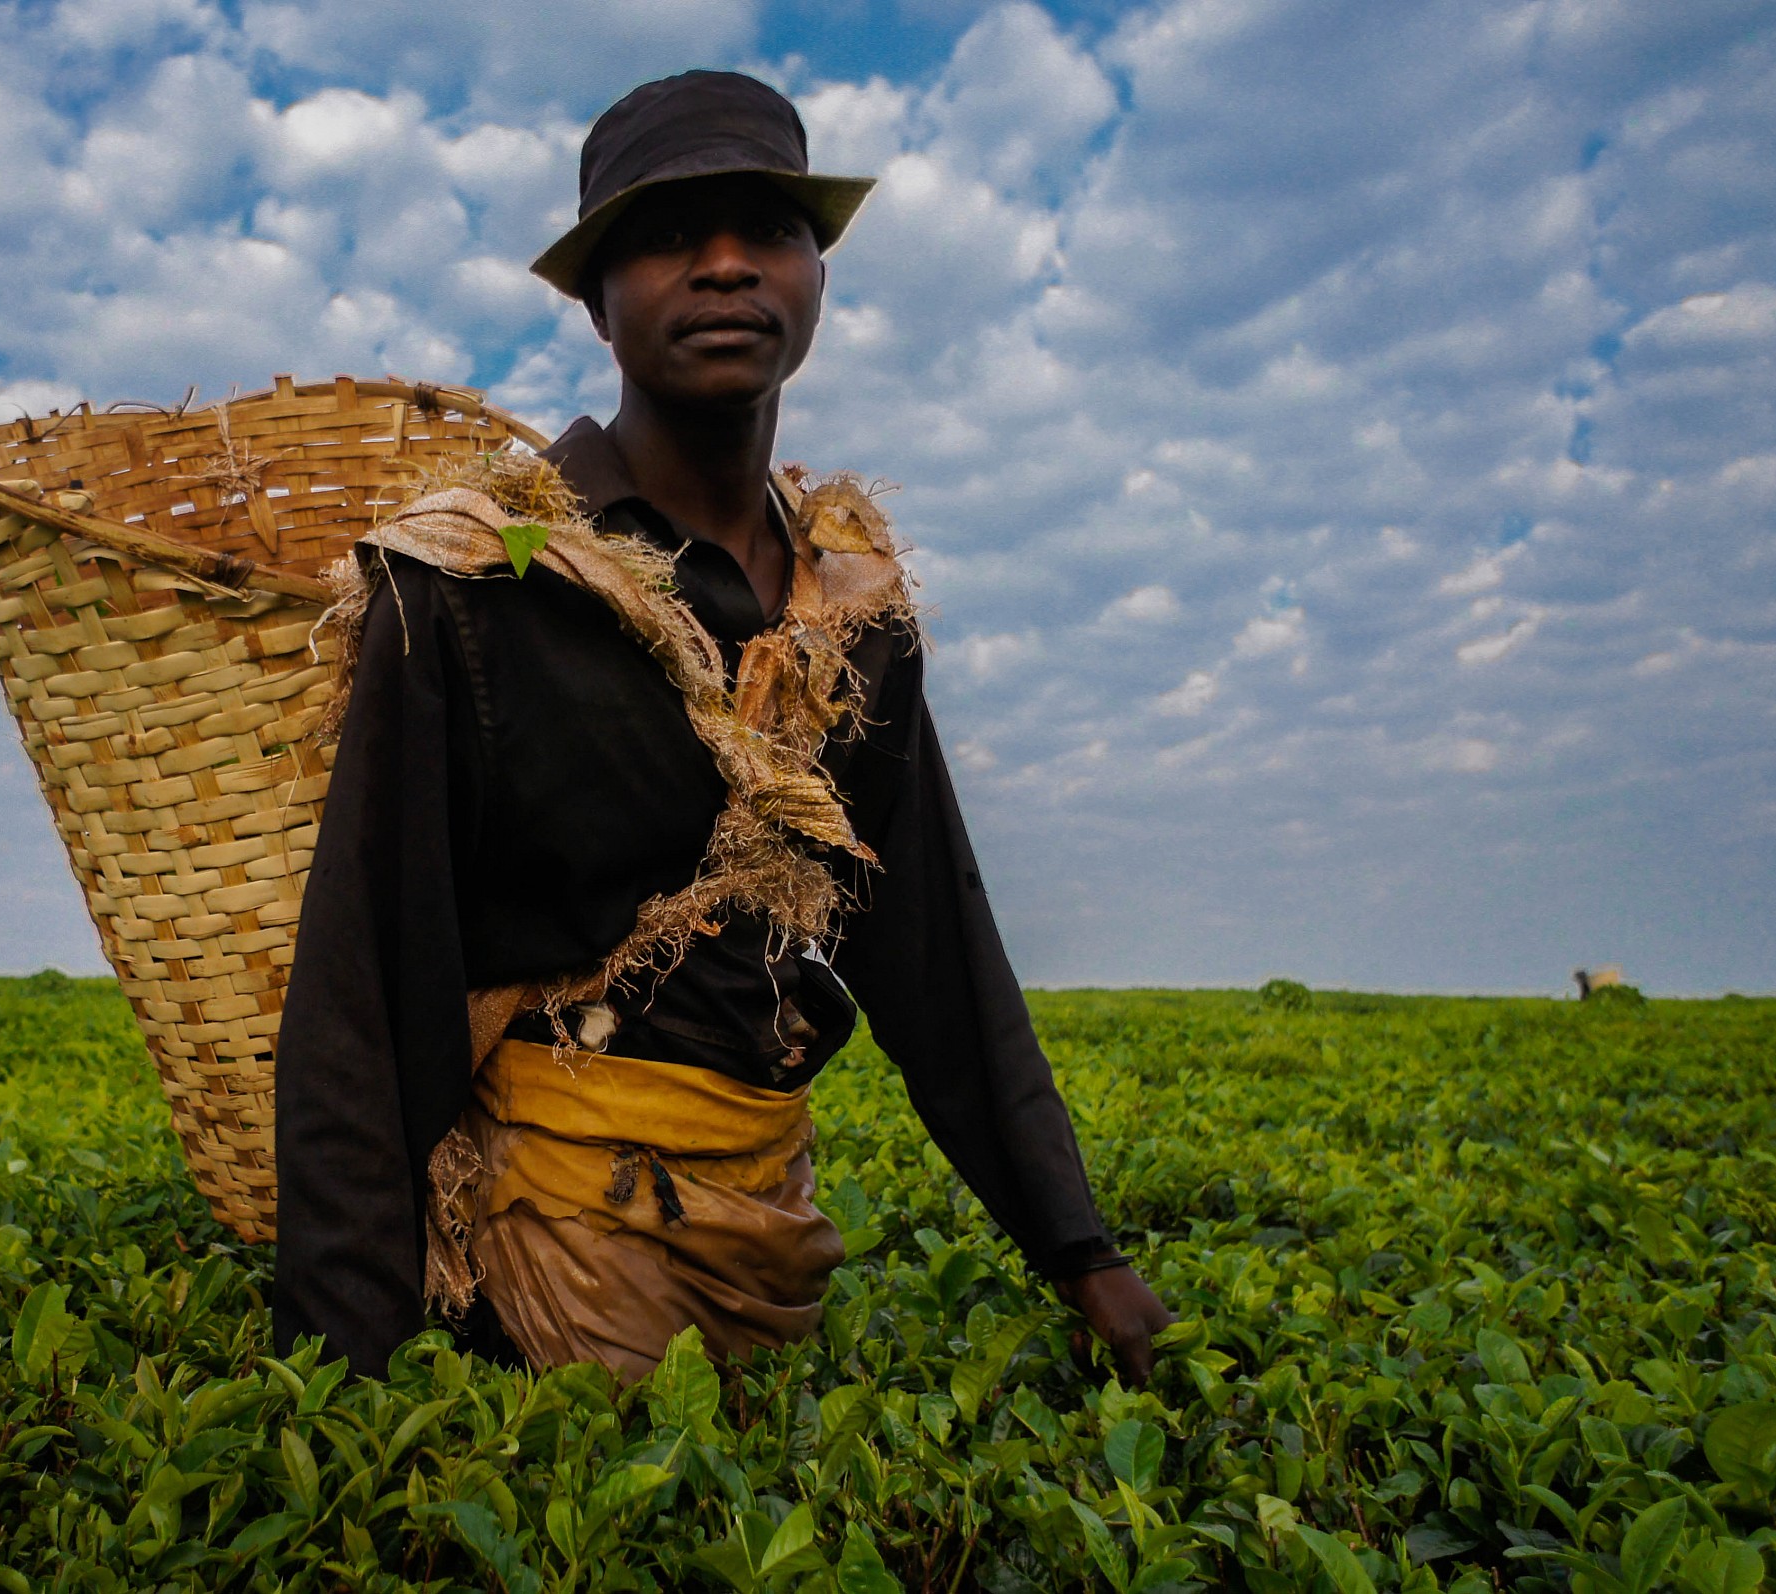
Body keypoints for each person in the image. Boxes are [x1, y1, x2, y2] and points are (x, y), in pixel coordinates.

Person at [271, 69, 1172, 1384]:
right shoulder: (479, 587)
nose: (728, 267)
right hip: (541, 1264)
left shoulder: (848, 610)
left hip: (767, 1246)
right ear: (597, 299)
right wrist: (343, 1375)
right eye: (667, 236)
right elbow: (361, 989)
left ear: (818, 277)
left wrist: (1078, 1249)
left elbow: (931, 943)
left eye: (773, 231)